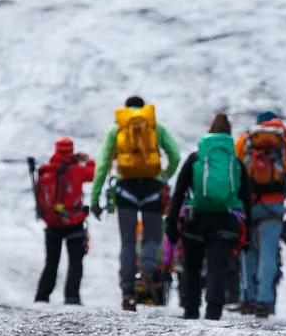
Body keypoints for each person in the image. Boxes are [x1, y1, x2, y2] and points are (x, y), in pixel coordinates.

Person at [89, 95, 182, 311]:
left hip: (126, 188)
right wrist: (164, 176)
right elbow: (175, 155)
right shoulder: (155, 126)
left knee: (128, 241)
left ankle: (127, 294)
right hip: (152, 188)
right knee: (152, 237)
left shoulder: (117, 128)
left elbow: (102, 163)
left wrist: (94, 198)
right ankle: (147, 273)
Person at [167, 112, 253, 320]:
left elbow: (179, 192)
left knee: (192, 265)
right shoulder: (235, 162)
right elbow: (247, 198)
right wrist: (248, 230)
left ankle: (191, 309)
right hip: (225, 222)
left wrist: (171, 222)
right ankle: (213, 311)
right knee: (218, 267)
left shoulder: (196, 158)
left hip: (196, 220)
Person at [235, 111, 286, 318]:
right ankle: (263, 301)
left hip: (246, 206)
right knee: (268, 252)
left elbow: (233, 174)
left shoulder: (244, 142)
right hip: (274, 206)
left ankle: (247, 297)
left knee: (248, 249)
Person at [31, 137, 94, 305]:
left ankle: (42, 296)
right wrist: (87, 160)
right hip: (73, 221)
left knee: (51, 262)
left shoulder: (46, 170)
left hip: (51, 223)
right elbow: (94, 173)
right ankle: (72, 296)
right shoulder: (76, 170)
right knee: (75, 261)